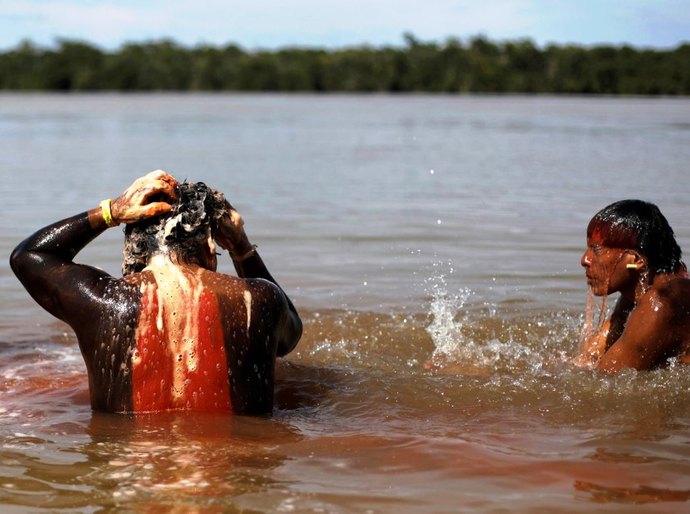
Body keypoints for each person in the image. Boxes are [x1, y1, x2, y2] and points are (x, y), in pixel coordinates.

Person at [10, 170, 302, 414]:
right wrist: (242, 248)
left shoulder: (104, 301)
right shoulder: (259, 299)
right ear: (211, 247)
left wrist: (110, 212)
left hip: (132, 477)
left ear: (133, 248)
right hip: (232, 475)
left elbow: (28, 257)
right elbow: (290, 336)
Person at [577, 199, 690, 372]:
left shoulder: (660, 303)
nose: (585, 260)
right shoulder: (643, 286)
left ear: (635, 260)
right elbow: (587, 358)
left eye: (596, 250)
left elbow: (603, 379)